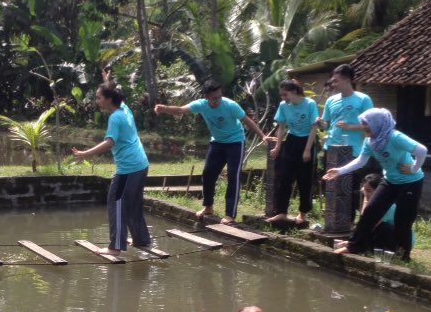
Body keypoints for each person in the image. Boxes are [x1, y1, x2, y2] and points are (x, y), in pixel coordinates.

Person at [154, 79, 272, 225]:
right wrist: (164, 108)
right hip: (217, 142)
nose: (217, 101)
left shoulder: (230, 105)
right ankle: (208, 206)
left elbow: (247, 121)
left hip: (235, 142)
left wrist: (263, 136)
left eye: (219, 97)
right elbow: (180, 111)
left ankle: (230, 214)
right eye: (213, 98)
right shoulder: (201, 105)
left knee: (233, 176)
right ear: (206, 97)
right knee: (208, 174)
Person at [322, 108, 427, 259]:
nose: (364, 127)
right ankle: (354, 246)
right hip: (391, 180)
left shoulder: (395, 137)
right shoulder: (370, 141)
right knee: (370, 211)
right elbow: (361, 160)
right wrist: (340, 171)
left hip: (411, 182)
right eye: (363, 124)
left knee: (403, 219)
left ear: (378, 124)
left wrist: (414, 168)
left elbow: (422, 150)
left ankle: (403, 255)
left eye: (367, 124)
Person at [72, 83, 150, 256]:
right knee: (134, 204)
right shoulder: (125, 108)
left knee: (116, 203)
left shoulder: (115, 117)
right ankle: (142, 239)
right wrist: (107, 81)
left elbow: (110, 142)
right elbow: (115, 90)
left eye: (99, 97)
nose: (97, 101)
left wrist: (86, 153)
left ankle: (115, 247)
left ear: (109, 100)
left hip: (128, 169)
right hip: (141, 164)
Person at [320, 64, 374, 219]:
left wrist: (351, 127)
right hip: (331, 148)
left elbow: (370, 126)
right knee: (330, 184)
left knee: (349, 187)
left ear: (348, 80)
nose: (333, 84)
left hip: (353, 150)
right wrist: (319, 122)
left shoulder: (363, 99)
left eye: (336, 81)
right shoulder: (331, 100)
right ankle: (331, 218)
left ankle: (348, 221)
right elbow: (326, 124)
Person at [266, 80, 318, 226]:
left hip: (307, 140)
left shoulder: (309, 104)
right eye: (281, 95)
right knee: (284, 177)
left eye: (285, 94)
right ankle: (281, 212)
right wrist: (277, 147)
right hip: (292, 140)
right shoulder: (284, 106)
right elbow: (282, 127)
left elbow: (314, 127)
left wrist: (307, 150)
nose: (283, 98)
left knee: (304, 179)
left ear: (294, 91)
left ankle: (302, 213)